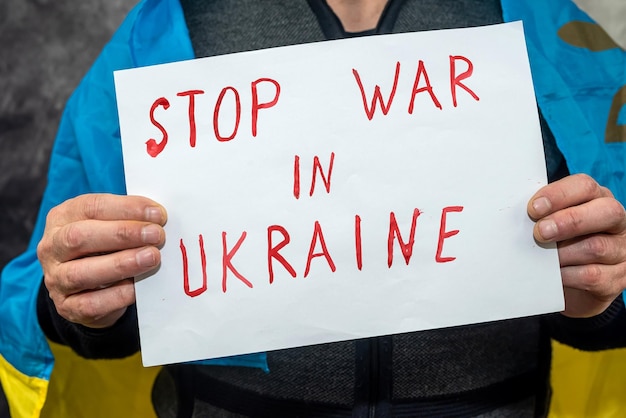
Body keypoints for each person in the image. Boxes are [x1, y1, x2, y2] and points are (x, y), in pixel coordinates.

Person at [3, 0, 626, 417]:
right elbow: (82, 303)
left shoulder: (539, 26)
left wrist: (599, 298)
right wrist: (82, 302)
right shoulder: (169, 30)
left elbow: (606, 291)